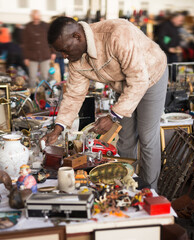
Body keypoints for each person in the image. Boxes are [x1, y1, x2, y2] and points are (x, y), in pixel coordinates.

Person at [41, 17, 168, 190]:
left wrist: (113, 116)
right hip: (124, 85)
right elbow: (73, 95)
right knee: (126, 139)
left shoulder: (117, 33)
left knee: (146, 137)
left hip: (151, 76)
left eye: (64, 50)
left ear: (77, 37)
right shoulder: (75, 59)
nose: (64, 56)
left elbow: (139, 80)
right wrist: (58, 129)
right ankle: (127, 186)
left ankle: (149, 191)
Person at [22, 10, 56, 88]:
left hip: (45, 55)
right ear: (32, 17)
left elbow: (51, 39)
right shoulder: (27, 27)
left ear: (40, 17)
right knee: (32, 77)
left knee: (44, 76)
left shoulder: (46, 26)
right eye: (34, 18)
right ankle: (33, 95)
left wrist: (53, 52)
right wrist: (26, 57)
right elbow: (25, 43)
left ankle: (43, 95)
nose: (36, 20)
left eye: (37, 18)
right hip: (32, 56)